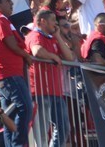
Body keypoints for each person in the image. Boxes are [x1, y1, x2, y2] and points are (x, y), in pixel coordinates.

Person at [0, 0, 33, 147]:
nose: (12, 3)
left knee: (9, 116)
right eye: (8, 1)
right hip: (8, 74)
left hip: (4, 75)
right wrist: (26, 55)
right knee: (25, 108)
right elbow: (10, 42)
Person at [25, 9, 74, 147]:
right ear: (42, 21)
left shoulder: (52, 38)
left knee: (64, 127)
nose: (55, 23)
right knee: (42, 131)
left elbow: (69, 57)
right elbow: (37, 51)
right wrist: (53, 57)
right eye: (53, 20)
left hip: (56, 92)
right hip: (40, 92)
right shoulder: (34, 35)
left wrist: (58, 36)